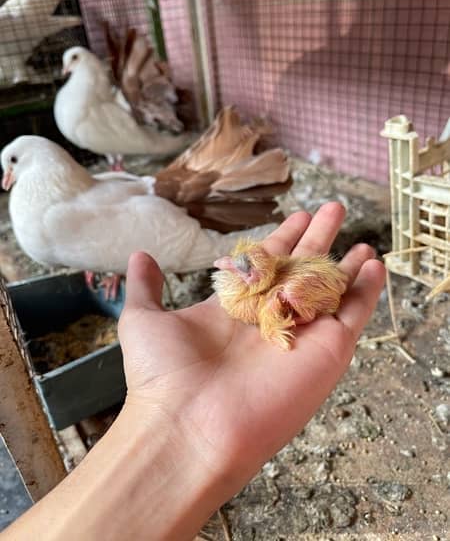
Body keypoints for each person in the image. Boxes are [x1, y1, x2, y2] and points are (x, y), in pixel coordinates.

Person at [1, 203, 385, 541]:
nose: (226, 268)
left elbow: (276, 313)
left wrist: (277, 323)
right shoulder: (255, 291)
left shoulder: (272, 299)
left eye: (239, 268)